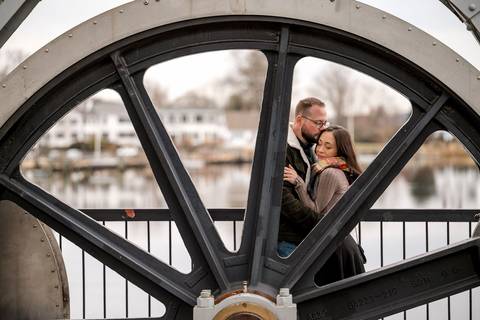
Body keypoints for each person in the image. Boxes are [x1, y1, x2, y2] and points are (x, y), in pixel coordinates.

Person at [283, 125, 366, 285]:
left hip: (335, 248)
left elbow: (315, 210)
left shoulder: (330, 173)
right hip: (341, 243)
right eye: (319, 143)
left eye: (328, 146)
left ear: (339, 150)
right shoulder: (341, 169)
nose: (320, 149)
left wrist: (298, 182)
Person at [278, 97, 329, 257]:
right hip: (288, 242)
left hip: (308, 238)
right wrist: (323, 222)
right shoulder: (282, 149)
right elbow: (285, 201)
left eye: (325, 123)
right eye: (318, 123)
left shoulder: (313, 148)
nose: (323, 128)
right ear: (299, 120)